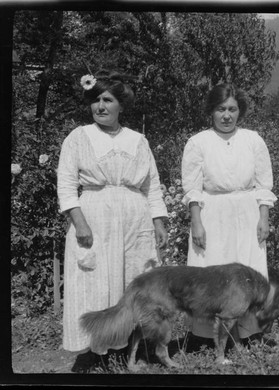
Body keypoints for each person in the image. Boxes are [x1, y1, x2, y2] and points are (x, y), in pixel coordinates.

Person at [57, 70, 168, 371]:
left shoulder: (138, 140)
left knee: (133, 282)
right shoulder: (79, 137)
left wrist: (158, 222)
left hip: (135, 220)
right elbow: (66, 185)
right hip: (94, 218)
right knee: (94, 283)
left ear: (121, 104)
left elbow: (152, 185)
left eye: (108, 100)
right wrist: (79, 222)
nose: (100, 106)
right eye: (95, 100)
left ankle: (133, 346)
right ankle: (92, 351)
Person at [181, 83, 277, 344]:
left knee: (247, 273)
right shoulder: (198, 142)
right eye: (220, 109)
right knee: (211, 274)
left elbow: (264, 184)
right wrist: (197, 222)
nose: (226, 116)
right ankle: (206, 336)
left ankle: (247, 332)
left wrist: (263, 217)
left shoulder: (253, 140)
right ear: (211, 111)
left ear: (240, 112)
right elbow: (192, 188)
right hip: (213, 214)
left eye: (232, 109)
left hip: (247, 215)